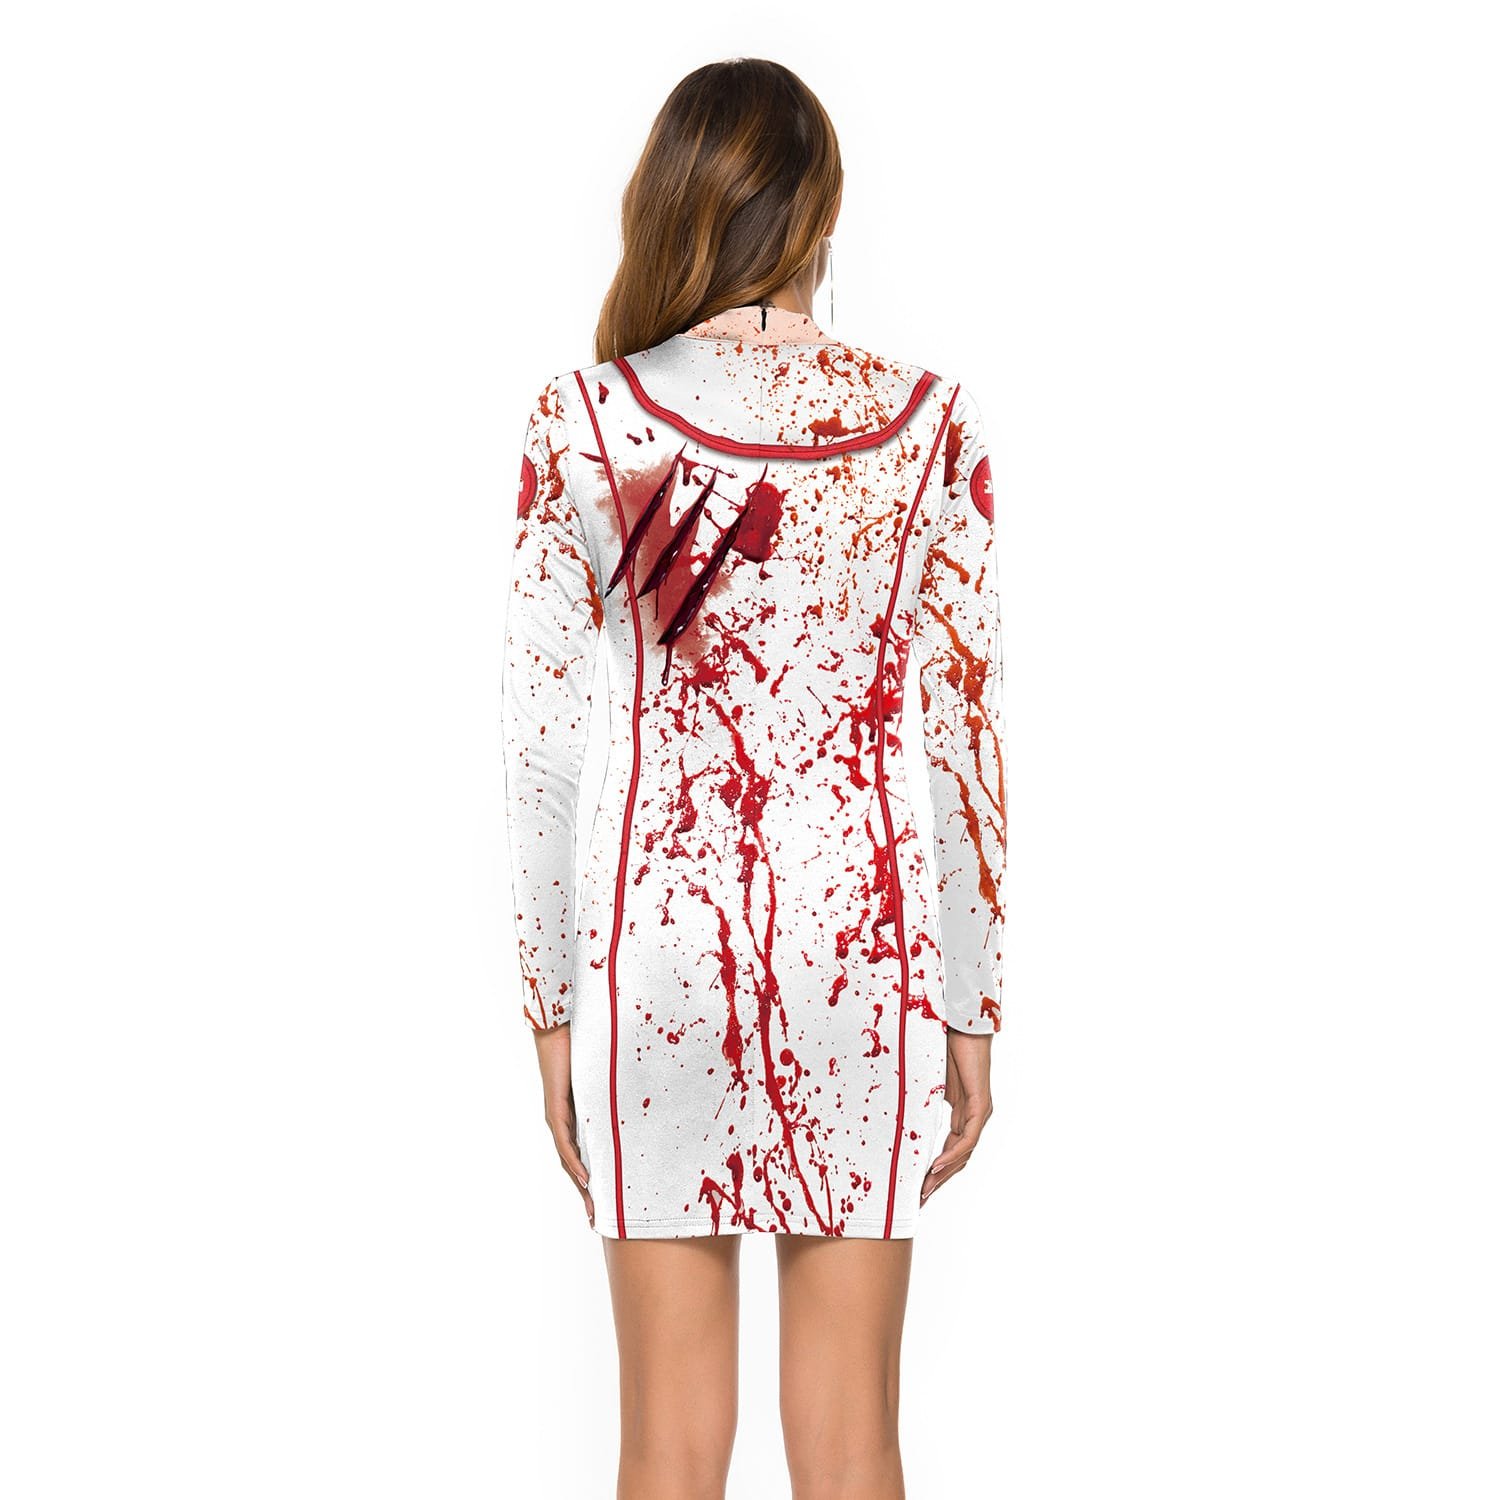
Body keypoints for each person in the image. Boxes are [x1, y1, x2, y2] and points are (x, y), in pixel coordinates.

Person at [501, 56, 1007, 1500]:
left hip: (657, 956)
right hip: (863, 956)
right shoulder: (928, 424)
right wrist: (972, 1002)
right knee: (854, 1445)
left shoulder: (585, 422)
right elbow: (962, 740)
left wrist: (550, 1007)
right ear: (824, 215)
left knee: (665, 1446)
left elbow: (542, 752)